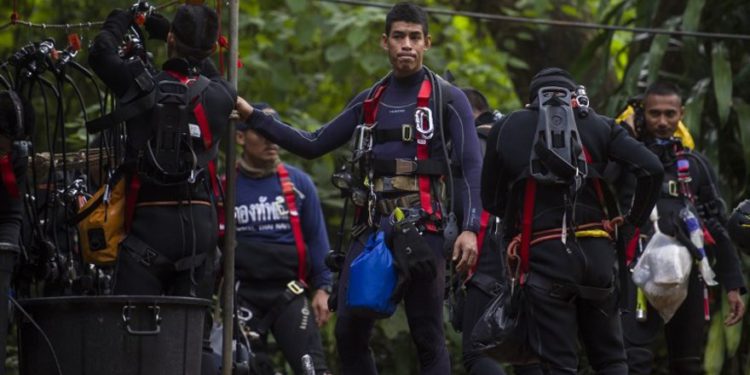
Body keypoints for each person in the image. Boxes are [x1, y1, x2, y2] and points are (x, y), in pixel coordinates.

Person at [237, 3, 482, 373]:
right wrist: (252, 115)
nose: (407, 45)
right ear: (384, 42)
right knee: (349, 333)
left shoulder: (447, 98)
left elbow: (469, 166)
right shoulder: (371, 99)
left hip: (423, 232)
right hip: (371, 233)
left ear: (427, 43)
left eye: (415, 37)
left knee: (428, 336)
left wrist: (470, 228)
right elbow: (313, 142)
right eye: (399, 36)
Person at [481, 67, 664, 374]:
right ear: (573, 97)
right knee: (611, 359)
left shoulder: (508, 128)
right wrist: (632, 220)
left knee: (560, 364)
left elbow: (492, 200)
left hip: (545, 260)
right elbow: (652, 169)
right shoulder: (601, 126)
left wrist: (520, 216)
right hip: (598, 260)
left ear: (531, 101)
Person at [88, 4, 236, 297]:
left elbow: (101, 53)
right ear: (209, 49)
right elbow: (205, 71)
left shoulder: (139, 84)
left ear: (171, 39)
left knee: (136, 333)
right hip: (200, 229)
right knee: (190, 336)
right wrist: (167, 30)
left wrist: (122, 16)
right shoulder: (223, 95)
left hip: (150, 226)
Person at [619, 81, 746, 374]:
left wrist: (733, 285)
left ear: (681, 114)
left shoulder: (695, 165)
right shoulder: (625, 159)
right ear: (642, 114)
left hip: (688, 274)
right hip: (637, 272)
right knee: (633, 360)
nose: (662, 122)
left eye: (669, 114)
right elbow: (600, 178)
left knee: (687, 364)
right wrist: (625, 135)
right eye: (654, 114)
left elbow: (716, 222)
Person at [233, 103, 333, 375]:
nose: (272, 141)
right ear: (240, 137)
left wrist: (323, 288)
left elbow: (317, 240)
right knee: (245, 368)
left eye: (276, 134)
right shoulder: (226, 185)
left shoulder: (299, 183)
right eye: (262, 134)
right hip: (242, 297)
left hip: (289, 293)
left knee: (312, 369)